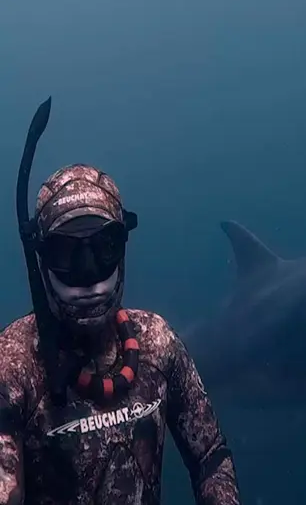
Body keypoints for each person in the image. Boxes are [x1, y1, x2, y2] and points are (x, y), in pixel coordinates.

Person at [0, 100, 241, 504]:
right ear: (40, 259)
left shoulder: (156, 343)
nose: (89, 274)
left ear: (122, 248)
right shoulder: (14, 365)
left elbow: (211, 457)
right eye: (66, 255)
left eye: (103, 248)